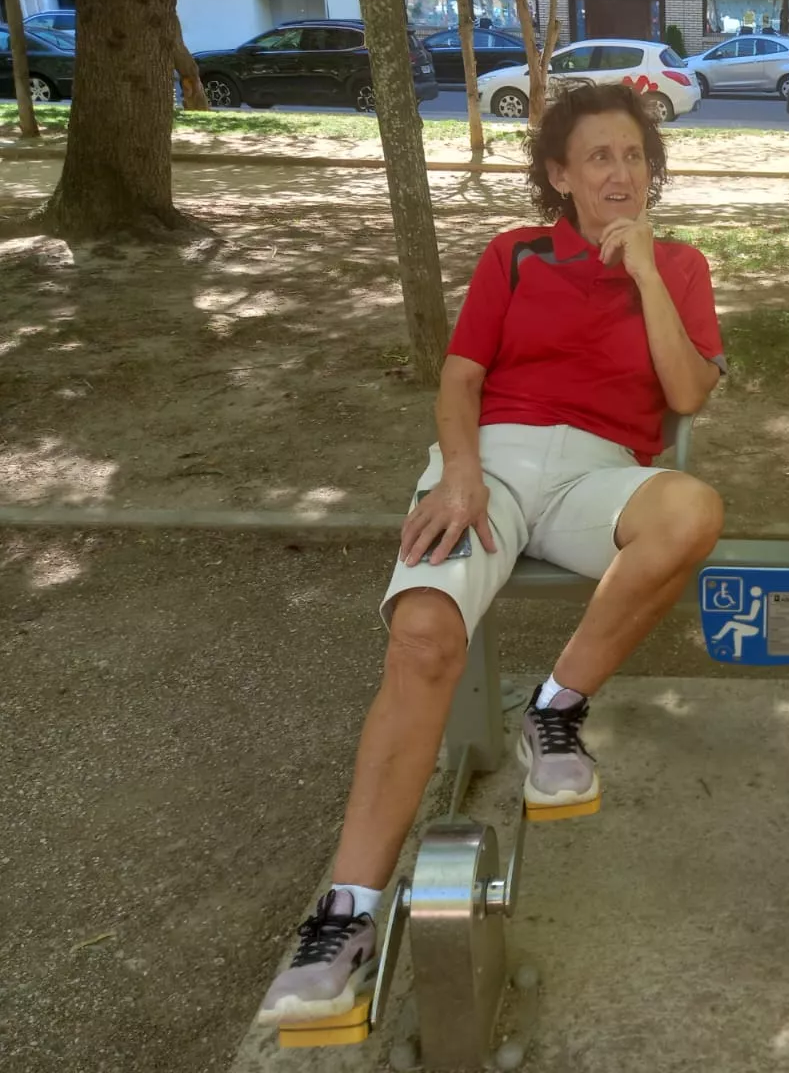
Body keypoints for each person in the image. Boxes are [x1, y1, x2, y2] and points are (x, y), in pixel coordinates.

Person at [256, 82, 727, 1025]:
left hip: (601, 472)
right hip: (491, 467)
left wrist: (644, 274)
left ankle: (555, 711)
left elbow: (689, 395)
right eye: (598, 157)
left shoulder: (679, 266)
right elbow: (460, 378)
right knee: (424, 638)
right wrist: (460, 474)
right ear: (560, 174)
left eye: (634, 156)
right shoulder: (513, 256)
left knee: (692, 511)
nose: (621, 174)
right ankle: (347, 913)